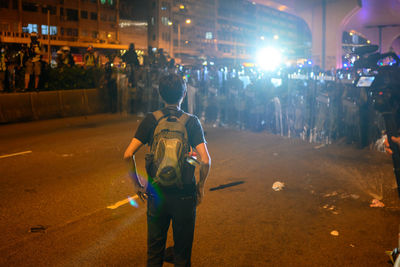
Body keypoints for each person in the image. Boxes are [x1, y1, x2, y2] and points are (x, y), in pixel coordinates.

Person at [123, 74, 211, 267]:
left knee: (154, 254)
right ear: (184, 94)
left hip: (157, 194)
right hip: (185, 196)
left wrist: (138, 185)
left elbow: (128, 154)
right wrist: (200, 187)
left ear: (160, 94)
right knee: (182, 255)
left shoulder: (150, 120)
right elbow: (205, 160)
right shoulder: (192, 122)